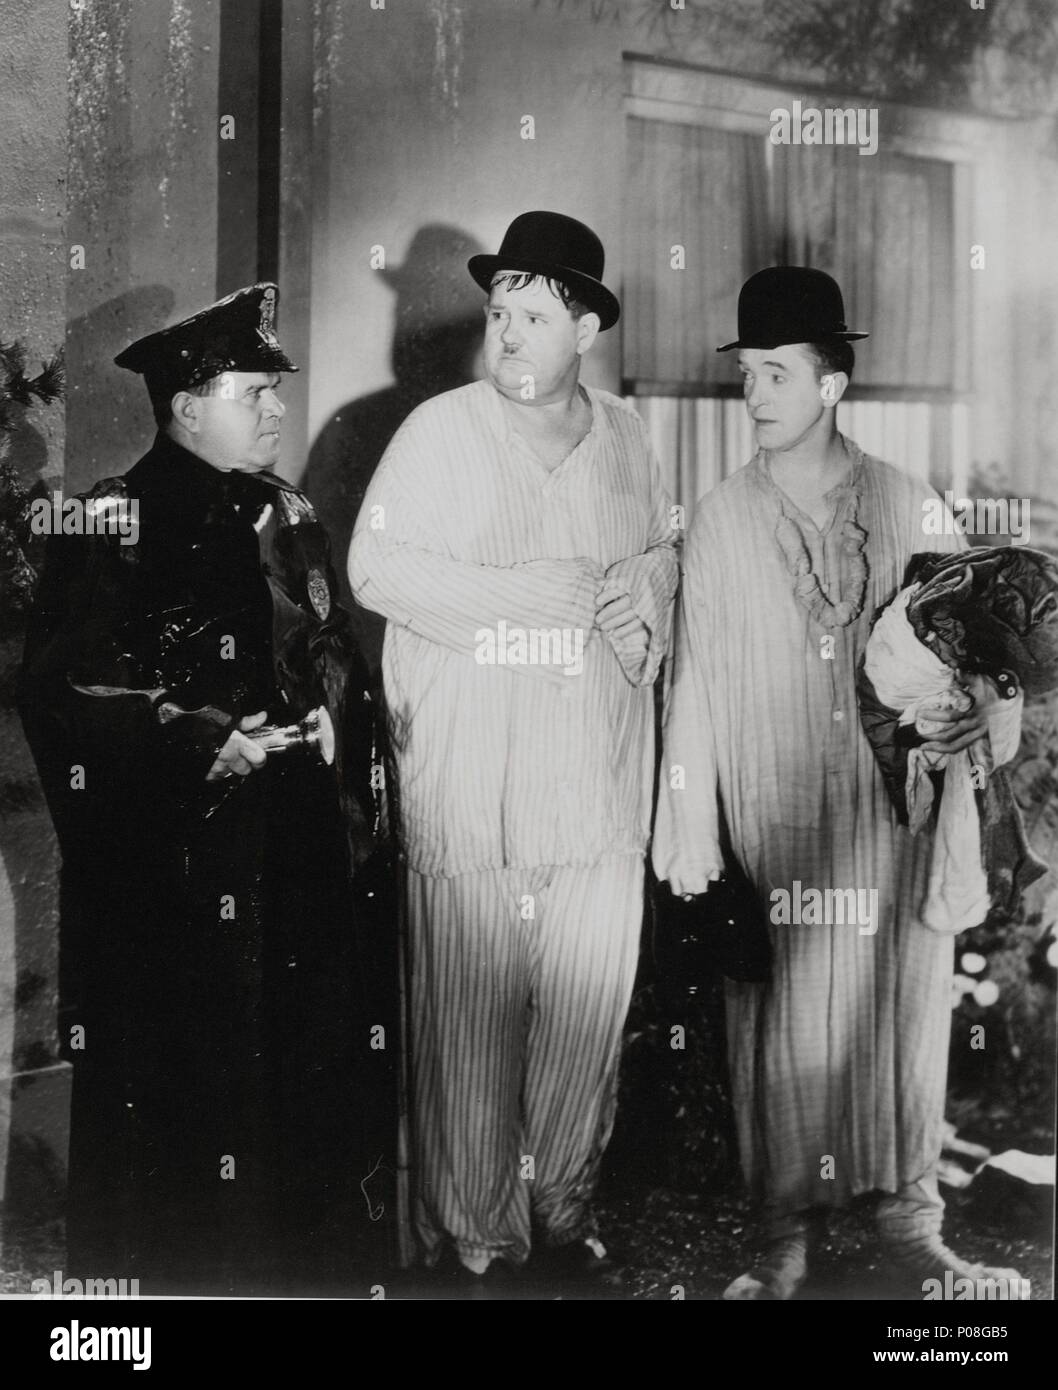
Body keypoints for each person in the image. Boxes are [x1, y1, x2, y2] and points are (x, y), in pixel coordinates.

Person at [653, 266, 1023, 1299]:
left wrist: (964, 714)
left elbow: (980, 651)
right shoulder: (720, 519)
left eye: (778, 372)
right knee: (772, 1019)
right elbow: (688, 685)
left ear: (830, 385)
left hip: (888, 811)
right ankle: (778, 1235)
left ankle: (909, 1218)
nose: (756, 393)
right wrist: (689, 837)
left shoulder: (906, 501)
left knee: (898, 1006)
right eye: (747, 374)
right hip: (772, 812)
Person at [18, 284, 392, 1295]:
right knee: (180, 1109)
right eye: (250, 390)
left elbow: (328, 649)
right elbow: (64, 685)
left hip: (292, 870)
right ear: (185, 405)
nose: (276, 408)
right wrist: (196, 741)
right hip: (172, 886)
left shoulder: (291, 517)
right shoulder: (109, 520)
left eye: (275, 390)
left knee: (293, 1089)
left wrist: (328, 708)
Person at [349, 211, 678, 1291]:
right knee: (468, 1027)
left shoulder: (631, 437)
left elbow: (662, 565)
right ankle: (475, 1239)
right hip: (475, 784)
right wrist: (546, 596)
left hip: (592, 784)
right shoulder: (439, 432)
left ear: (584, 325)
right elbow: (376, 571)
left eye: (534, 316)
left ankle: (563, 1208)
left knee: (583, 1014)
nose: (508, 336)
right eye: (498, 314)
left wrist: (646, 591)